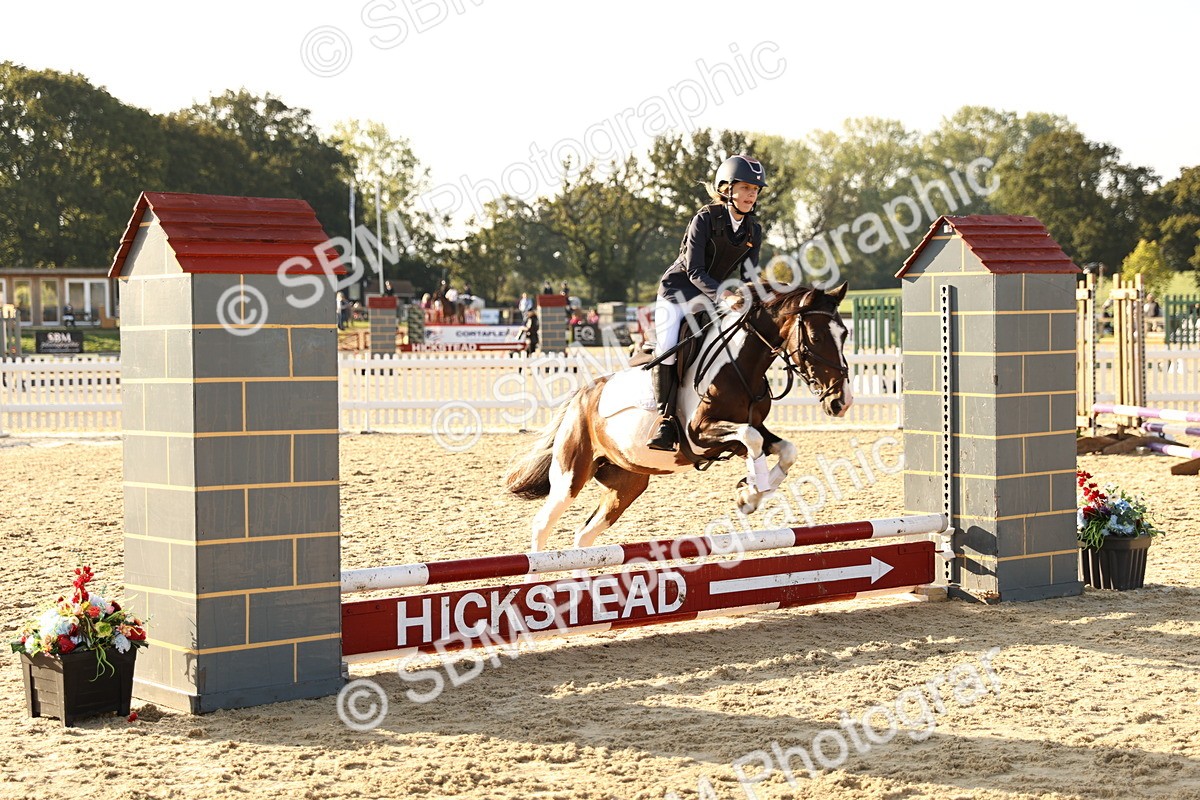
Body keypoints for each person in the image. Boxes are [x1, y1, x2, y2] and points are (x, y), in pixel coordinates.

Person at [646, 154, 766, 451]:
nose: (752, 194)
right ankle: (666, 421)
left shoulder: (753, 230)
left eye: (756, 189)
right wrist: (725, 295)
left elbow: (749, 274)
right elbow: (694, 270)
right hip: (678, 293)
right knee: (668, 349)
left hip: (713, 298)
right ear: (726, 188)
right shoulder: (704, 218)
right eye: (746, 187)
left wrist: (763, 293)